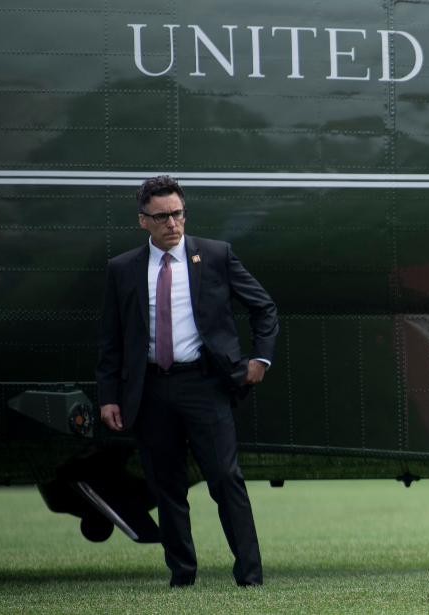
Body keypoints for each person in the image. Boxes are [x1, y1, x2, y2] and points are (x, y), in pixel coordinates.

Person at [95, 175, 278, 587]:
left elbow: (264, 307)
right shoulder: (122, 269)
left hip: (204, 385)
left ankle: (250, 576)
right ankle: (182, 574)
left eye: (178, 213)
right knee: (167, 487)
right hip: (149, 391)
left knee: (226, 480)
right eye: (161, 216)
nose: (172, 223)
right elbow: (111, 339)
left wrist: (260, 359)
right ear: (143, 220)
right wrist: (108, 396)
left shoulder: (215, 256)